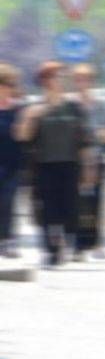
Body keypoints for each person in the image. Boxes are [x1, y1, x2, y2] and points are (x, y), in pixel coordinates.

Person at [16, 62, 94, 268]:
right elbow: (23, 136)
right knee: (47, 210)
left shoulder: (74, 108)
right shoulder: (35, 108)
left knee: (69, 209)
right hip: (44, 166)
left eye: (64, 76)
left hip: (70, 165)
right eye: (59, 76)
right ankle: (51, 250)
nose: (63, 80)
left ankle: (65, 242)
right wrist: (30, 118)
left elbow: (84, 140)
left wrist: (88, 167)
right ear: (46, 80)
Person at [71, 64, 105, 260]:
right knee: (78, 204)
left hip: (98, 159)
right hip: (76, 160)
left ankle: (98, 243)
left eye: (87, 79)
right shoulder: (70, 106)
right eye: (79, 80)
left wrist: (103, 135)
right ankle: (78, 245)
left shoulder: (103, 106)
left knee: (98, 203)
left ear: (92, 82)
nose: (83, 83)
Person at [0, 64, 24, 258]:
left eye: (12, 84)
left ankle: (8, 240)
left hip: (12, 165)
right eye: (8, 84)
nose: (10, 88)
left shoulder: (18, 111)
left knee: (8, 201)